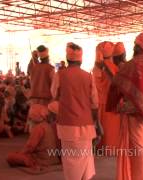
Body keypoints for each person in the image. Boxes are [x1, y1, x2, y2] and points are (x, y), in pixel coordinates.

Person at [106, 32, 143, 180]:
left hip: (133, 111)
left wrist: (114, 104)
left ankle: (139, 177)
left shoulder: (131, 64)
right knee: (141, 144)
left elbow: (116, 85)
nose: (133, 47)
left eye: (135, 45)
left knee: (138, 147)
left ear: (138, 47)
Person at [51, 42, 103, 180]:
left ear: (67, 59)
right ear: (81, 60)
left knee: (70, 159)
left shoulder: (60, 75)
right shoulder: (88, 76)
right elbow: (95, 103)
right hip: (86, 124)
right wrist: (96, 123)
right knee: (85, 157)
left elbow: (53, 94)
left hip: (67, 124)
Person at [6, 104, 60, 169]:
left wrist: (20, 154)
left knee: (10, 157)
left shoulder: (39, 128)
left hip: (42, 160)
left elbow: (29, 147)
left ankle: (33, 164)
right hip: (54, 159)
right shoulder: (48, 125)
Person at [93, 41, 120, 155]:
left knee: (102, 127)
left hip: (100, 102)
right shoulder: (114, 68)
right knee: (112, 129)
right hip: (112, 103)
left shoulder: (96, 68)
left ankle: (101, 148)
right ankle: (112, 149)